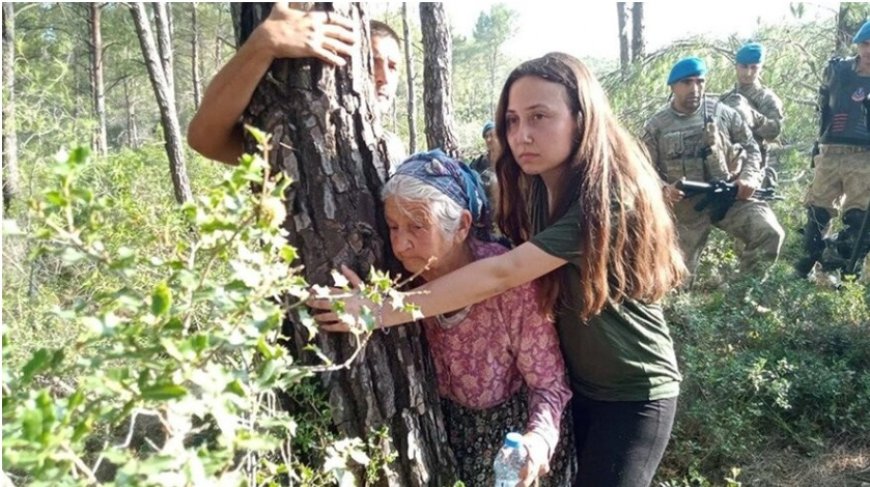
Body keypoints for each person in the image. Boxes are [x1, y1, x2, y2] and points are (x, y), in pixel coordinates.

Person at [312, 52, 686, 487]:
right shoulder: (537, 190)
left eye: (539, 116)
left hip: (634, 390)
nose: (521, 135)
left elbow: (502, 273)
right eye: (512, 120)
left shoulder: (606, 198)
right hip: (583, 384)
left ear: (581, 119)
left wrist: (380, 310)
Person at [368, 150, 574, 485]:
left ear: (462, 225)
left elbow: (549, 384)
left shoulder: (510, 285)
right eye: (393, 226)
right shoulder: (401, 277)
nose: (401, 244)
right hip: (438, 435)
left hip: (510, 446)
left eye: (417, 226)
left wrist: (537, 441)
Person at [187, 5, 406, 166]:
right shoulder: (296, 134)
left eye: (393, 66)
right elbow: (205, 137)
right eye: (371, 63)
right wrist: (263, 45)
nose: (383, 77)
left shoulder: (396, 152)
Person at [642, 56, 785, 281]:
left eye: (700, 81)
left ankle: (742, 299)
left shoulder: (723, 113)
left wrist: (748, 177)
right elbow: (642, 169)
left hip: (729, 196)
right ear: (672, 86)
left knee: (768, 233)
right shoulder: (657, 125)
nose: (695, 88)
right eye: (687, 82)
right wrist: (663, 189)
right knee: (675, 277)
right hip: (686, 207)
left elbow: (751, 147)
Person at [795, 20, 870, 277]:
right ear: (858, 45)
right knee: (817, 212)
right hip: (831, 148)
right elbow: (824, 106)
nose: (869, 50)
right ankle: (806, 266)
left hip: (865, 156)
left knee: (860, 220)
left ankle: (842, 267)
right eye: (865, 44)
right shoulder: (838, 70)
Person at [720, 42, 785, 184]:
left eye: (753, 67)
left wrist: (754, 118)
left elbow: (774, 131)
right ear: (736, 66)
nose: (748, 72)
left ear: (760, 68)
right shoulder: (725, 98)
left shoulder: (767, 98)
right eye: (744, 66)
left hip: (753, 168)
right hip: (725, 166)